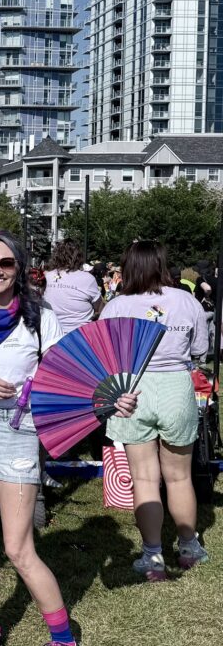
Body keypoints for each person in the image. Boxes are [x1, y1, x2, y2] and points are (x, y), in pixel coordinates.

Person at [0, 232, 132, 646]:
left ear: (20, 267)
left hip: (17, 431)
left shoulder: (40, 316)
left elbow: (71, 375)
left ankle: (65, 642)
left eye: (6, 262)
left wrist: (110, 400)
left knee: (18, 546)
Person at [101, 240, 210, 580]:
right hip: (176, 387)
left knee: (144, 479)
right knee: (179, 476)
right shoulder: (186, 301)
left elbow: (104, 355)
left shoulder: (116, 306)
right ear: (163, 264)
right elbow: (200, 350)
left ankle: (152, 556)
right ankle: (189, 546)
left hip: (132, 390)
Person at [43, 239, 102, 334]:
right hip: (80, 336)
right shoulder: (87, 278)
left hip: (51, 335)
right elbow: (99, 306)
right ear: (78, 256)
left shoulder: (47, 276)